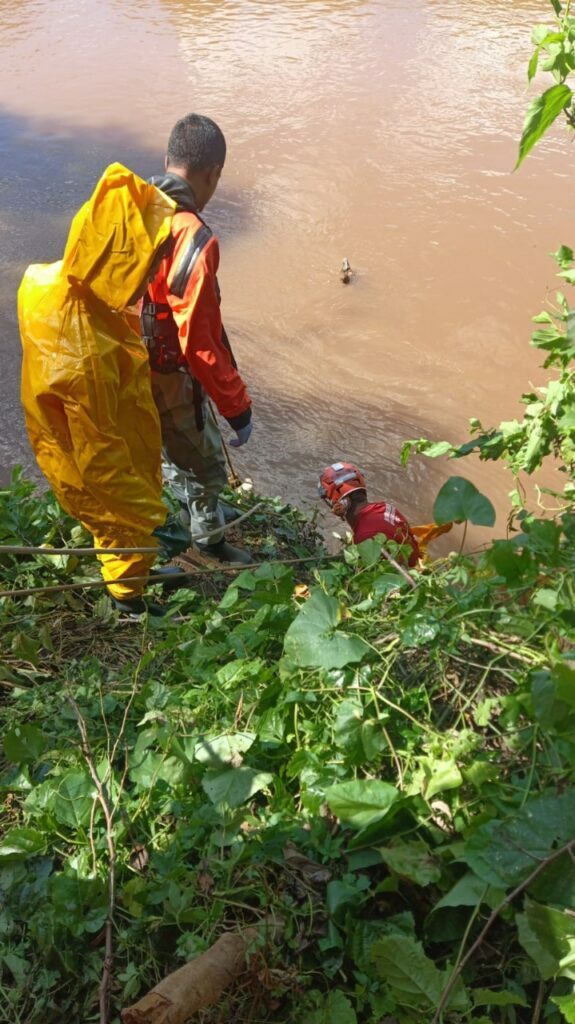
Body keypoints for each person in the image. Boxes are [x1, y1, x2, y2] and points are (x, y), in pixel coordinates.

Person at [18, 162, 189, 616]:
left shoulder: (50, 280)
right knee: (122, 525)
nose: (154, 269)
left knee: (126, 522)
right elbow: (102, 466)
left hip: (90, 426)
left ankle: (139, 570)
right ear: (119, 262)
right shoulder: (83, 354)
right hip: (91, 454)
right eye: (148, 259)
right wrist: (153, 514)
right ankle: (128, 600)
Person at [142, 113, 252, 565]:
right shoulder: (194, 238)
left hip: (122, 361)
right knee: (206, 463)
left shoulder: (132, 209)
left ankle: (189, 506)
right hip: (167, 370)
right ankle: (208, 543)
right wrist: (237, 408)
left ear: (168, 160)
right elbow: (200, 342)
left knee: (169, 444)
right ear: (213, 174)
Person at [318, 462, 421, 567]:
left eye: (332, 501)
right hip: (417, 563)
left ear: (344, 503)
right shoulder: (384, 507)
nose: (333, 506)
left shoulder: (365, 536)